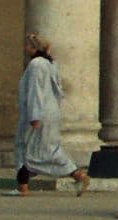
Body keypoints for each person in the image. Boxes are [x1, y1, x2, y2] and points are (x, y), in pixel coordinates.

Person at [15, 36, 87, 195]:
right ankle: (22, 185)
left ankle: (75, 173)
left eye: (27, 45)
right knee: (42, 148)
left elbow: (36, 91)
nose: (25, 48)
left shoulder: (36, 64)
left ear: (33, 47)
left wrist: (34, 115)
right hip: (50, 111)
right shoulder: (49, 64)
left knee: (28, 148)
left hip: (38, 113)